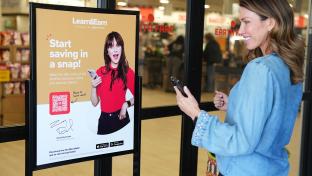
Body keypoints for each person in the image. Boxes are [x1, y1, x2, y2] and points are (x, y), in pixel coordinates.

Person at [174, 0, 305, 175]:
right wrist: (235, 104)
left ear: (271, 23)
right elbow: (274, 114)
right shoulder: (287, 66)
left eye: (247, 21)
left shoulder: (260, 69)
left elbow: (241, 141)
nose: (241, 30)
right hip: (271, 168)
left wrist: (195, 113)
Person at [90, 31, 135, 135]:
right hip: (104, 121)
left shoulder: (127, 72)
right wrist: (93, 87)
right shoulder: (100, 72)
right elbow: (94, 103)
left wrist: (125, 105)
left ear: (122, 49)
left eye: (118, 45)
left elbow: (138, 96)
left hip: (121, 118)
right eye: (111, 46)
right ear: (107, 51)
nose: (115, 49)